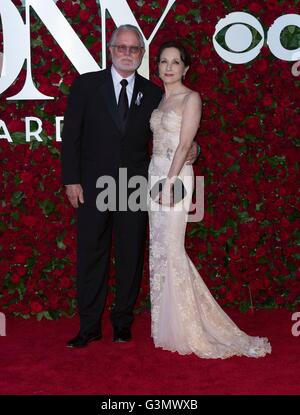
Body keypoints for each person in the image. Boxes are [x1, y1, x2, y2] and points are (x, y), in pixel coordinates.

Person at [61, 26, 199, 348]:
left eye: (133, 49)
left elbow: (175, 130)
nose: (127, 53)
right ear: (110, 50)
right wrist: (71, 179)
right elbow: (72, 137)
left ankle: (122, 322)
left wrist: (195, 149)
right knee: (91, 255)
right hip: (93, 186)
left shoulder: (154, 93)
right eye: (121, 47)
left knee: (130, 255)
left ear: (141, 54)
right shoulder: (86, 85)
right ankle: (90, 326)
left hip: (136, 185)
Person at [147, 40, 272, 358]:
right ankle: (167, 327)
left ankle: (191, 327)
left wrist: (168, 183)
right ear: (158, 66)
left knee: (172, 248)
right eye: (164, 61)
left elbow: (185, 143)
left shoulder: (191, 98)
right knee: (159, 249)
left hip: (174, 177)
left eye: (176, 62)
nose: (170, 67)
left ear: (185, 68)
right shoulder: (159, 101)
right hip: (154, 173)